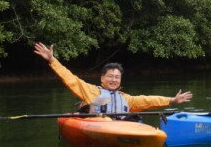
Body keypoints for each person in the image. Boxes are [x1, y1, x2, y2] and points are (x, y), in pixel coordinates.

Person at [34, 42, 192, 119]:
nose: (113, 80)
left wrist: (172, 100)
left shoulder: (126, 98)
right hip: (99, 126)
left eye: (117, 77)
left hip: (122, 127)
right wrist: (52, 60)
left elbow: (147, 100)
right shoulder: (92, 91)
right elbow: (71, 79)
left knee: (135, 117)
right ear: (102, 78)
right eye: (110, 76)